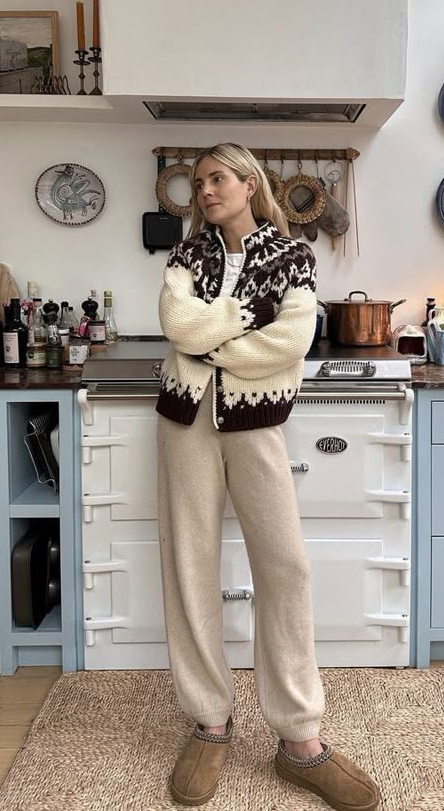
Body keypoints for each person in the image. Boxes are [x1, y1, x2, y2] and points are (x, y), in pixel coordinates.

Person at [156, 143, 380, 810]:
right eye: (198, 183)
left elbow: (292, 341)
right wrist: (241, 317)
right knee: (189, 563)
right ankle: (210, 722)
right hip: (184, 421)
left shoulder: (291, 256)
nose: (205, 191)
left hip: (256, 424)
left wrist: (210, 339)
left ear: (250, 183)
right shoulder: (185, 258)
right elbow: (176, 323)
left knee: (286, 567)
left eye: (216, 178)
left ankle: (300, 741)